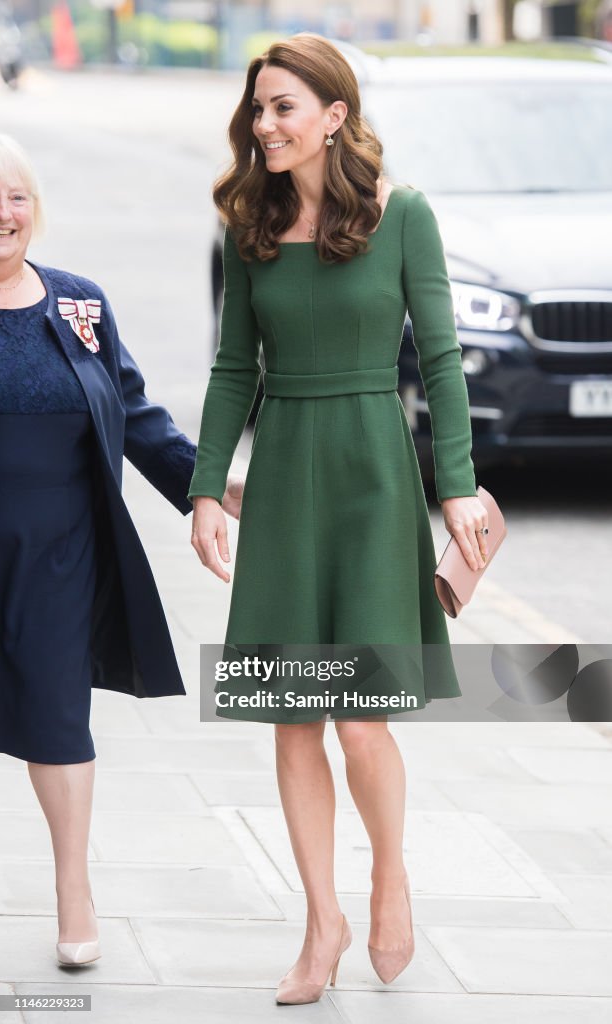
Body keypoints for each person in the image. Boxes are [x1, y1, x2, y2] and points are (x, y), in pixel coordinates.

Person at [189, 34, 489, 1004]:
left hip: (370, 480)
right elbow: (235, 365)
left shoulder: (403, 216)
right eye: (258, 109)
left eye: (283, 107)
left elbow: (439, 363)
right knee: (292, 717)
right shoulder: (248, 225)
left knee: (362, 722)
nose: (264, 124)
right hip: (283, 481)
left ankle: (388, 876)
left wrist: (455, 486)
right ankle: (321, 924)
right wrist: (204, 488)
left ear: (332, 116)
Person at [0, 133, 243, 968]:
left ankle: (74, 891)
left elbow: (136, 414)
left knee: (59, 719)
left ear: (36, 210)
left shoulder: (78, 304)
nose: (4, 213)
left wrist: (205, 485)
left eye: (17, 197)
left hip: (60, 550)